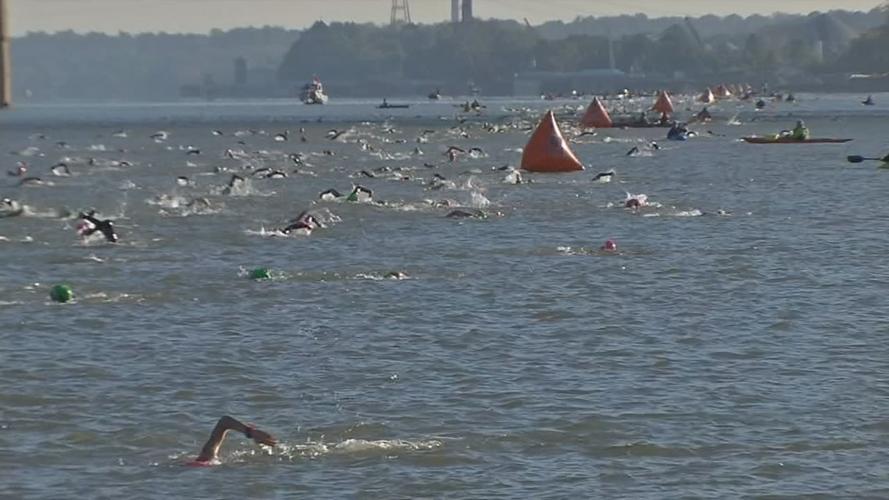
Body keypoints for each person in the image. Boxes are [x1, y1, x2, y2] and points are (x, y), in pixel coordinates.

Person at [188, 416, 276, 466]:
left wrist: (250, 432)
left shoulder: (204, 459)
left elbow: (224, 422)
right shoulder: (205, 459)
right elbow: (224, 422)